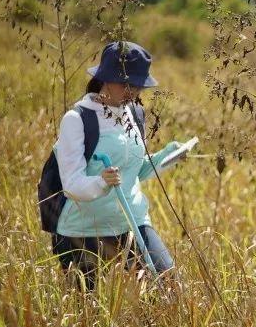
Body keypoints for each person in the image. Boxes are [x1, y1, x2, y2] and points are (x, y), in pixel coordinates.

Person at [51, 41, 182, 290]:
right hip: (83, 229)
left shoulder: (134, 114)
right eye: (126, 84)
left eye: (138, 85)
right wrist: (102, 181)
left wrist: (168, 156)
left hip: (132, 222)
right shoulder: (77, 119)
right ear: (104, 78)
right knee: (86, 310)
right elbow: (71, 184)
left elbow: (136, 171)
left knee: (168, 286)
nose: (133, 91)